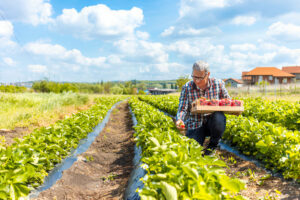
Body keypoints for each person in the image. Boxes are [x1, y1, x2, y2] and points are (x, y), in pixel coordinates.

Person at [176, 61, 230, 155]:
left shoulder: (218, 84)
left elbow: (227, 101)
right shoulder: (187, 87)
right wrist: (180, 119)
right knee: (193, 152)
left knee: (219, 117)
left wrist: (216, 103)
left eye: (200, 78)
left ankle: (213, 146)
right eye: (194, 77)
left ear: (208, 74)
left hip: (212, 123)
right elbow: (182, 108)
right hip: (195, 123)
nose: (196, 81)